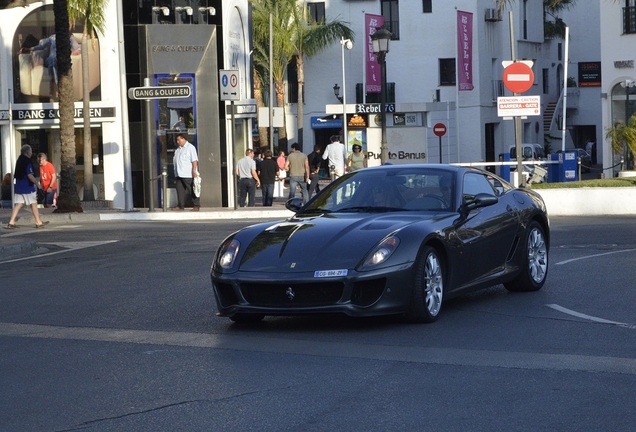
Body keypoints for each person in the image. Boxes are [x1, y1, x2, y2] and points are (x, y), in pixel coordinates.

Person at [21, 32, 81, 101]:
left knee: (53, 64)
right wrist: (30, 49)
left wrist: (75, 53)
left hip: (61, 61)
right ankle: (58, 88)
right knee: (52, 61)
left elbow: (77, 49)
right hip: (50, 60)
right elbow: (42, 46)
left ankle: (52, 92)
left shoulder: (69, 37)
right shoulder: (52, 37)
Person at [5, 145, 48, 229]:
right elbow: (29, 175)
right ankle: (38, 222)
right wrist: (37, 183)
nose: (32, 153)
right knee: (33, 204)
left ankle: (11, 222)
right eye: (31, 151)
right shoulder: (27, 161)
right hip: (27, 187)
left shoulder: (19, 160)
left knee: (18, 204)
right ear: (27, 152)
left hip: (19, 186)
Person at [173, 133, 200, 211]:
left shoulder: (190, 148)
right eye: (177, 140)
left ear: (183, 139)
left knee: (192, 190)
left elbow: (194, 160)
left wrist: (194, 170)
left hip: (188, 174)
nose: (178, 141)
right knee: (180, 191)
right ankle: (180, 205)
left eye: (179, 139)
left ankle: (196, 205)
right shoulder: (178, 150)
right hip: (179, 174)